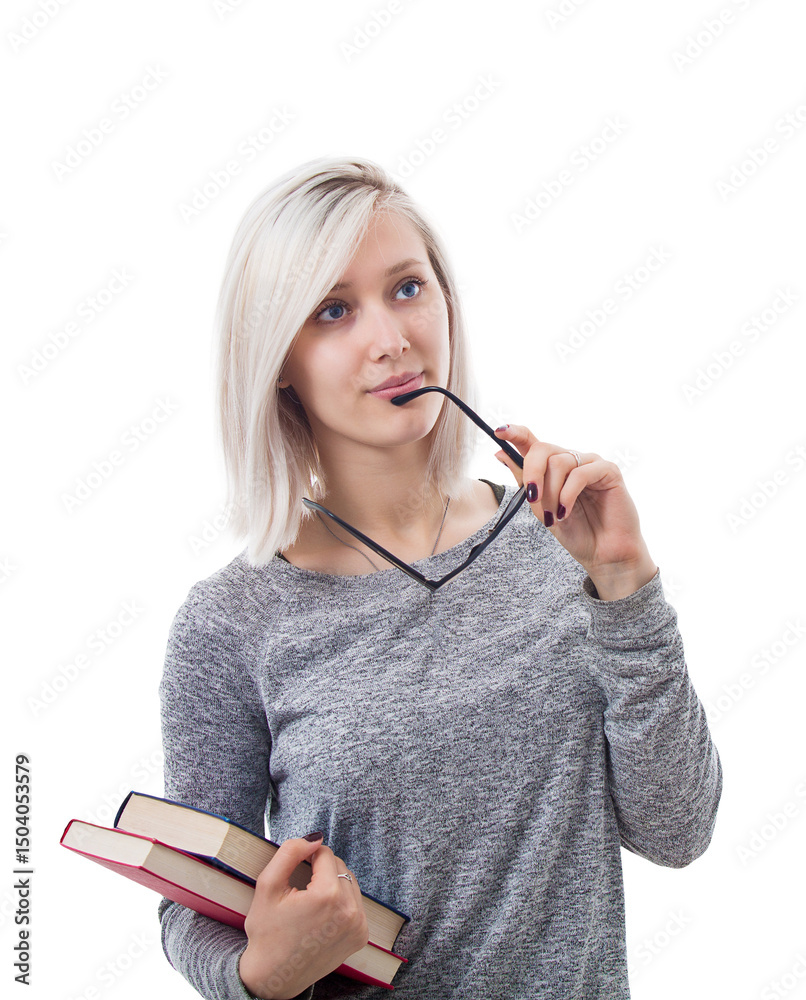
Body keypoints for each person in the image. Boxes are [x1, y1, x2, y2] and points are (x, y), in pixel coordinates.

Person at [157, 155, 723, 1000]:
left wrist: (625, 585)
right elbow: (191, 907)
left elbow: (678, 830)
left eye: (407, 288)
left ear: (448, 301)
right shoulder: (231, 623)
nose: (390, 339)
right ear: (277, 357)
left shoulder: (558, 538)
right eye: (333, 310)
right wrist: (260, 973)